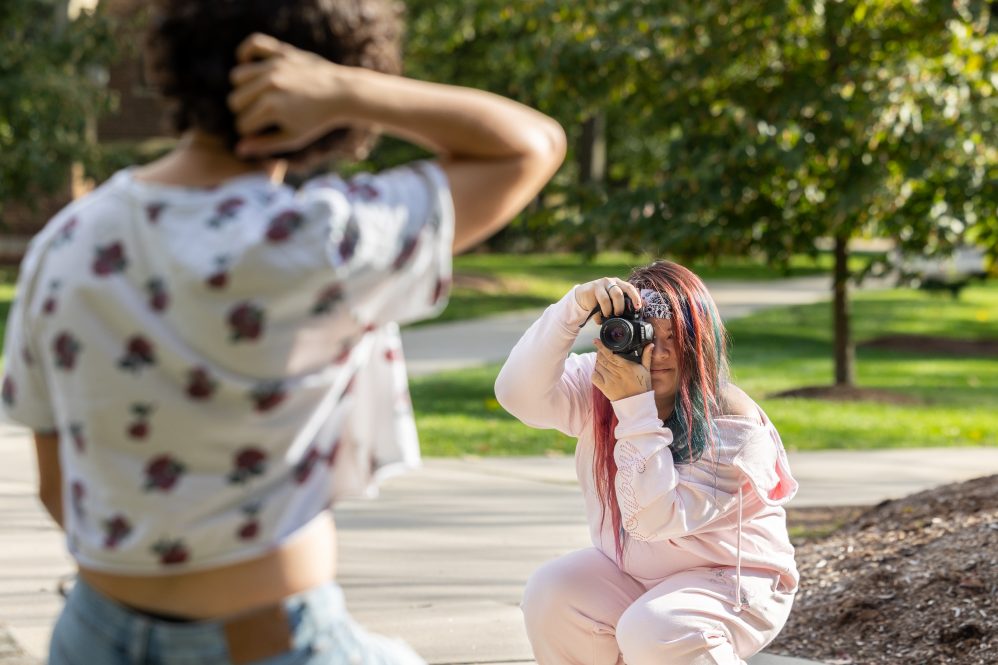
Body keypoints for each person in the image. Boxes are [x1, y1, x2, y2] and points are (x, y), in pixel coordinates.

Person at [0, 1, 566, 663]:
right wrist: (348, 90)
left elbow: (55, 484)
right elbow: (531, 145)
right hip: (266, 639)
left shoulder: (66, 241)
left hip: (92, 631)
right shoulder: (317, 241)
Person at [494, 261, 799, 665]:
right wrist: (573, 307)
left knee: (656, 629)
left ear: (702, 343)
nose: (660, 354)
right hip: (640, 576)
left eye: (678, 338)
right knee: (551, 593)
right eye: (647, 336)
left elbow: (655, 519)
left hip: (733, 581)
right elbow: (518, 393)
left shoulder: (731, 420)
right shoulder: (603, 379)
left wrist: (632, 407)